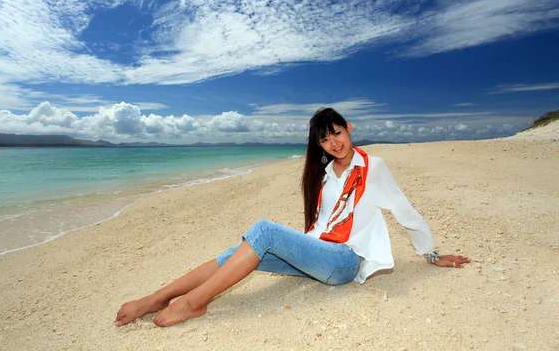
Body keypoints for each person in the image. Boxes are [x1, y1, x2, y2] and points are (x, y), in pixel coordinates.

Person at [114, 107, 470, 327]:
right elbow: (319, 225)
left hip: (345, 261)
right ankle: (157, 298)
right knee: (238, 253)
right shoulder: (326, 175)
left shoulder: (373, 168)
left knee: (263, 231)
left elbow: (404, 210)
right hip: (319, 254)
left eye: (337, 132)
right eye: (325, 139)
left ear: (348, 128)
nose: (334, 142)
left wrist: (432, 254)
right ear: (319, 146)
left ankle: (195, 303)